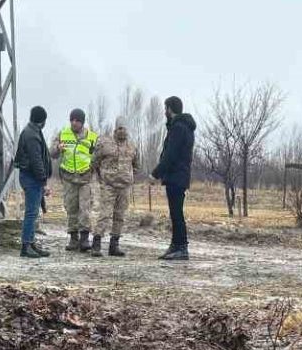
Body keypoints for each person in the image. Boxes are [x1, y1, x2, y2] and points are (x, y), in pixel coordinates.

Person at [150, 95, 196, 261]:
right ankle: (175, 246)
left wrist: (155, 173)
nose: (165, 112)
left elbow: (170, 155)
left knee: (176, 214)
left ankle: (181, 247)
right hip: (178, 176)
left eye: (165, 108)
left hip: (177, 176)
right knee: (175, 213)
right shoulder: (183, 127)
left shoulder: (178, 128)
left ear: (170, 109)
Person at [89, 116, 139, 257]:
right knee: (104, 214)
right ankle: (96, 244)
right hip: (108, 186)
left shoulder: (132, 146)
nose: (122, 131)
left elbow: (136, 165)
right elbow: (94, 162)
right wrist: (103, 177)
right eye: (120, 128)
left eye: (125, 128)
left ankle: (114, 245)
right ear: (115, 129)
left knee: (120, 216)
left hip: (124, 187)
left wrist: (128, 176)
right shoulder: (104, 144)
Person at [50, 108, 98, 251]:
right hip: (69, 178)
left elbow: (99, 156)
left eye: (77, 120)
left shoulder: (92, 137)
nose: (74, 123)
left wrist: (95, 169)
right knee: (71, 208)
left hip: (85, 178)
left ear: (82, 122)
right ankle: (73, 238)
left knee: (85, 208)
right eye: (72, 120)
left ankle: (84, 238)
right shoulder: (63, 134)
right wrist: (58, 148)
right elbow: (51, 153)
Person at [13, 105, 52, 258]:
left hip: (31, 177)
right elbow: (36, 161)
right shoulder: (32, 135)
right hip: (32, 178)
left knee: (34, 212)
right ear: (42, 120)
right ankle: (26, 246)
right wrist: (43, 181)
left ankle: (30, 243)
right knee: (31, 213)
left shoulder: (32, 131)